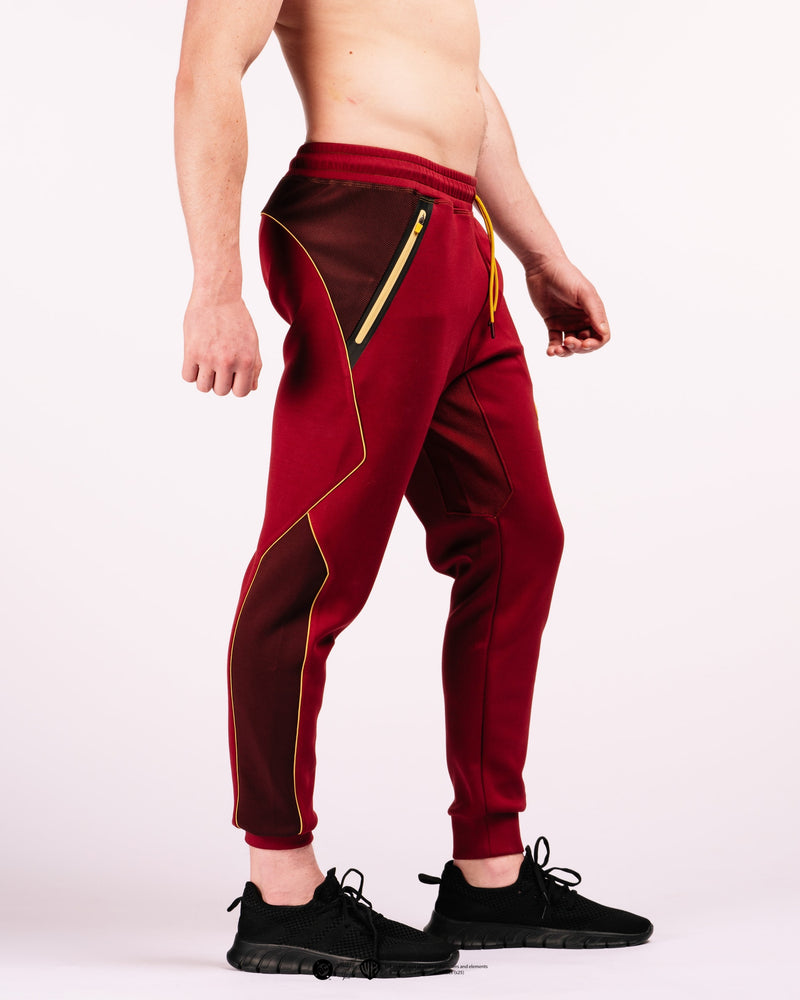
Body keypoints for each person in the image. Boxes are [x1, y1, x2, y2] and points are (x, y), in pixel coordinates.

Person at [174, 0, 652, 980]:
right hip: (366, 228)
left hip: (457, 236)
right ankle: (281, 889)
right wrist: (215, 286)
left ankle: (489, 869)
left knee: (516, 536)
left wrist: (540, 254)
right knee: (313, 560)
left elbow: (458, 83)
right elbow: (207, 69)